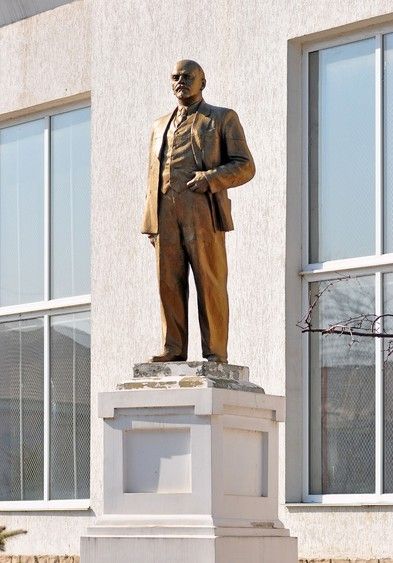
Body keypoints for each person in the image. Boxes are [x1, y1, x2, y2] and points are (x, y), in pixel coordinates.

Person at [141, 59, 255, 363]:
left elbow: (245, 166)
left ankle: (215, 351)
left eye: (188, 76)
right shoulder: (158, 125)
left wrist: (211, 178)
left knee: (209, 280)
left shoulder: (221, 118)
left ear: (202, 82)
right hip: (165, 211)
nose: (181, 81)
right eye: (175, 77)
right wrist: (151, 221)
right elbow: (153, 174)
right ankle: (173, 347)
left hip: (202, 208)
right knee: (168, 281)